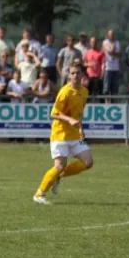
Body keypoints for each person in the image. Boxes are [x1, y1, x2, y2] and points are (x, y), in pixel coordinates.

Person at [33, 62, 93, 204]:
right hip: (60, 134)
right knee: (59, 166)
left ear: (82, 74)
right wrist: (69, 120)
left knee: (88, 162)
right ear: (68, 74)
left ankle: (57, 177)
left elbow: (78, 114)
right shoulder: (64, 92)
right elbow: (54, 113)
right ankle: (39, 194)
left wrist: (80, 128)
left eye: (78, 73)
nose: (75, 75)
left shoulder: (85, 92)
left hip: (74, 135)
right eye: (72, 73)